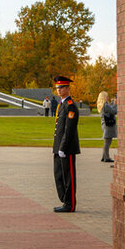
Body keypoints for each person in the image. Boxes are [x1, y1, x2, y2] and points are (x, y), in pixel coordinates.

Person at [52, 75, 80, 212]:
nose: (59, 90)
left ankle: (70, 204)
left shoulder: (70, 106)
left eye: (62, 87)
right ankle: (64, 200)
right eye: (57, 87)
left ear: (68, 88)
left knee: (68, 176)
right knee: (58, 175)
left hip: (67, 148)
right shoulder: (62, 104)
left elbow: (69, 129)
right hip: (59, 147)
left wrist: (62, 147)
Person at [97, 91, 117, 162]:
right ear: (104, 97)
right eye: (107, 96)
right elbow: (114, 111)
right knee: (108, 141)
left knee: (107, 141)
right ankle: (106, 157)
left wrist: (112, 103)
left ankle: (104, 156)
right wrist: (115, 104)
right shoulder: (105, 105)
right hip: (108, 125)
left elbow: (110, 109)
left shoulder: (103, 105)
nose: (108, 97)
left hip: (105, 125)